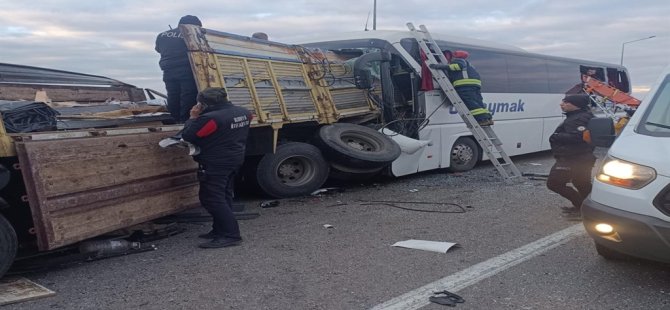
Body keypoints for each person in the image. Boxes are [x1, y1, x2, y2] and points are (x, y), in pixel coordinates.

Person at [181, 87, 252, 248]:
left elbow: (188, 135)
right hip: (234, 159)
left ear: (202, 104)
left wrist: (192, 117)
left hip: (215, 163)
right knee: (224, 195)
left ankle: (230, 235)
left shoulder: (209, 118)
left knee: (211, 198)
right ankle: (219, 229)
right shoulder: (245, 112)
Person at [546, 94, 596, 220]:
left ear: (576, 105)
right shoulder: (580, 116)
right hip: (581, 157)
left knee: (554, 183)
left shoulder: (578, 119)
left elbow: (578, 137)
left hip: (573, 158)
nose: (561, 104)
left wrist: (555, 136)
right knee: (582, 183)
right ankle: (588, 209)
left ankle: (583, 208)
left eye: (566, 102)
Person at [155, 15, 202, 123]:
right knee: (188, 96)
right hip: (186, 69)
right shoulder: (190, 33)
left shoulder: (162, 35)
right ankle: (185, 121)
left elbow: (158, 49)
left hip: (168, 70)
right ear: (193, 25)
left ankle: (174, 119)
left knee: (173, 95)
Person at [429, 50, 494, 126]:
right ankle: (488, 118)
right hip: (474, 85)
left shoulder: (459, 61)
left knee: (470, 103)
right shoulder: (468, 63)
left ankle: (481, 120)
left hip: (465, 85)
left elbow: (456, 67)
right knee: (479, 103)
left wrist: (438, 66)